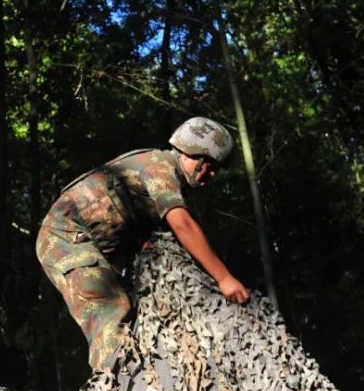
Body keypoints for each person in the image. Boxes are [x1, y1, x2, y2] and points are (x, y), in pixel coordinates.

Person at [36, 117, 250, 370]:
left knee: (133, 314)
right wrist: (224, 278)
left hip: (86, 241)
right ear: (196, 155)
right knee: (112, 313)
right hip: (65, 236)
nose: (210, 175)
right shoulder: (160, 167)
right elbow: (182, 224)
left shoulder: (160, 172)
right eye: (210, 166)